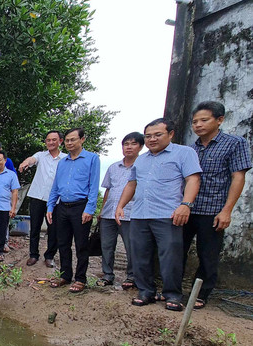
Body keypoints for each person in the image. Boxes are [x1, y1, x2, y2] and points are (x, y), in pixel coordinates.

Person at [115, 118, 201, 312]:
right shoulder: (141, 159)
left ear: (170, 134)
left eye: (157, 135)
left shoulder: (184, 153)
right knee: (139, 255)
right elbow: (132, 184)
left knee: (170, 255)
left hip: (167, 214)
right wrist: (120, 205)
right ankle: (146, 291)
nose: (152, 139)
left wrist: (186, 205)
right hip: (139, 214)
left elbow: (193, 179)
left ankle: (173, 295)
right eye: (148, 136)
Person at [183, 101, 251, 309]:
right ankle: (173, 290)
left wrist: (226, 210)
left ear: (219, 120)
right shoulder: (190, 149)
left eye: (204, 120)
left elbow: (238, 177)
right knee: (177, 250)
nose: (198, 125)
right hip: (187, 208)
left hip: (213, 210)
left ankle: (200, 294)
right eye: (195, 122)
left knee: (208, 255)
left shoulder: (234, 143)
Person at [46, 128, 100, 293]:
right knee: (63, 243)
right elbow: (55, 186)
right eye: (67, 140)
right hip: (62, 207)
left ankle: (80, 279)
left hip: (81, 207)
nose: (69, 143)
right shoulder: (62, 162)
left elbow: (94, 186)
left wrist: (89, 209)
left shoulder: (92, 159)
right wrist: (50, 206)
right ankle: (65, 275)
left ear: (82, 139)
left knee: (81, 245)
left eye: (73, 140)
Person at [96, 132, 144, 289]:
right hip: (108, 213)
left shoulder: (143, 167)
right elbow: (108, 190)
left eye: (133, 144)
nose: (129, 147)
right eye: (126, 144)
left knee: (131, 247)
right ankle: (107, 275)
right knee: (107, 246)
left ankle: (131, 276)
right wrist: (102, 210)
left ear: (140, 147)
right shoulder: (113, 167)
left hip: (130, 214)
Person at [19, 131, 67, 268]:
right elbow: (32, 160)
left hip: (55, 199)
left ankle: (49, 256)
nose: (51, 142)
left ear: (60, 141)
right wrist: (25, 162)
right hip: (37, 196)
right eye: (48, 140)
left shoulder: (65, 158)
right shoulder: (40, 155)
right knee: (34, 227)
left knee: (54, 229)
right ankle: (33, 255)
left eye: (54, 140)